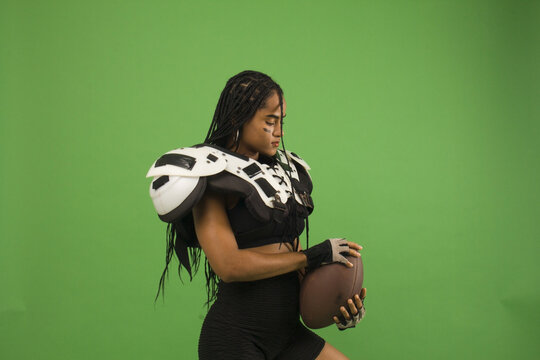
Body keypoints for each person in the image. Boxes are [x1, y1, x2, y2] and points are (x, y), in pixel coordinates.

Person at [147, 70, 367, 360]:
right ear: (240, 119)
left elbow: (293, 263)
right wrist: (310, 257)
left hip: (286, 335)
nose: (279, 132)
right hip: (235, 339)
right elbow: (229, 266)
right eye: (270, 121)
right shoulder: (211, 177)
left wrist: (337, 305)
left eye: (281, 122)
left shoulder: (282, 175)